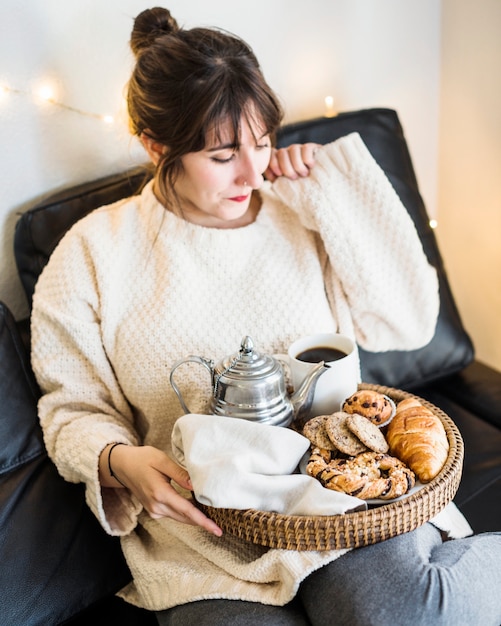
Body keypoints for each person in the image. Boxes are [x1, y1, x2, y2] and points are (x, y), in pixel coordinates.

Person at [30, 7, 501, 626]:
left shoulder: (300, 210)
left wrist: (334, 187)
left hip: (340, 497)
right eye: (224, 154)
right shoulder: (94, 254)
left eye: (262, 142)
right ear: (156, 146)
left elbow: (407, 323)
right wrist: (119, 462)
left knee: (390, 610)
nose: (253, 173)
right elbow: (73, 410)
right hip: (207, 537)